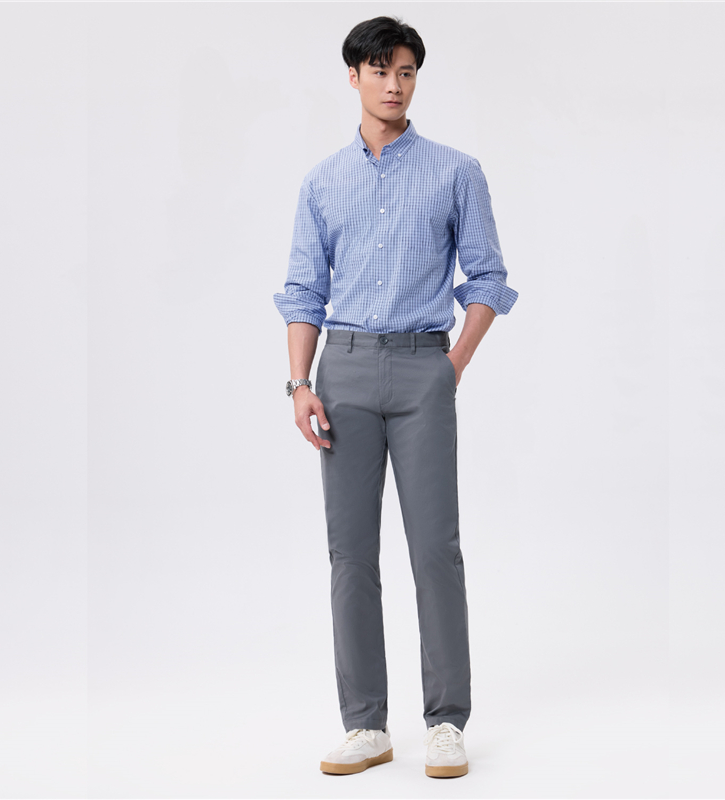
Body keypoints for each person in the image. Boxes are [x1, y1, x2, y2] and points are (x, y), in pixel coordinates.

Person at [273, 15, 519, 779]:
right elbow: (303, 290)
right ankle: (365, 725)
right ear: (354, 77)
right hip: (341, 373)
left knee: (435, 549)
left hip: (422, 370)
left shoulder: (456, 172)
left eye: (406, 71)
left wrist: (453, 364)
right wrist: (299, 384)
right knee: (350, 554)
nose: (394, 84)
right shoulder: (323, 182)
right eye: (380, 71)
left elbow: (487, 278)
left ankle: (446, 722)